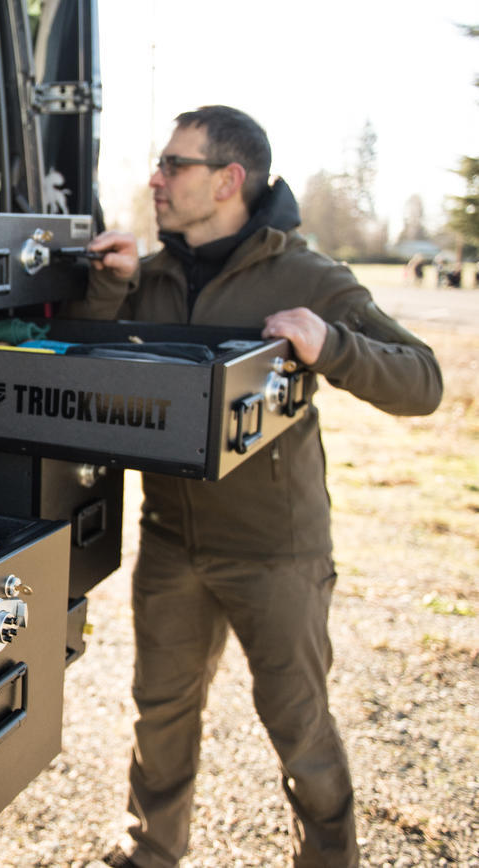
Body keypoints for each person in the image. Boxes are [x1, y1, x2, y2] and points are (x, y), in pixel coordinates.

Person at [71, 106, 444, 868]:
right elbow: (86, 368)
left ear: (229, 180)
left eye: (175, 165)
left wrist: (329, 343)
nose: (157, 178)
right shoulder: (157, 275)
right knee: (160, 712)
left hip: (277, 554)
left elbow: (424, 382)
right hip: (171, 545)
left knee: (298, 727)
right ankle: (150, 852)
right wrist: (111, 288)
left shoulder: (307, 274)